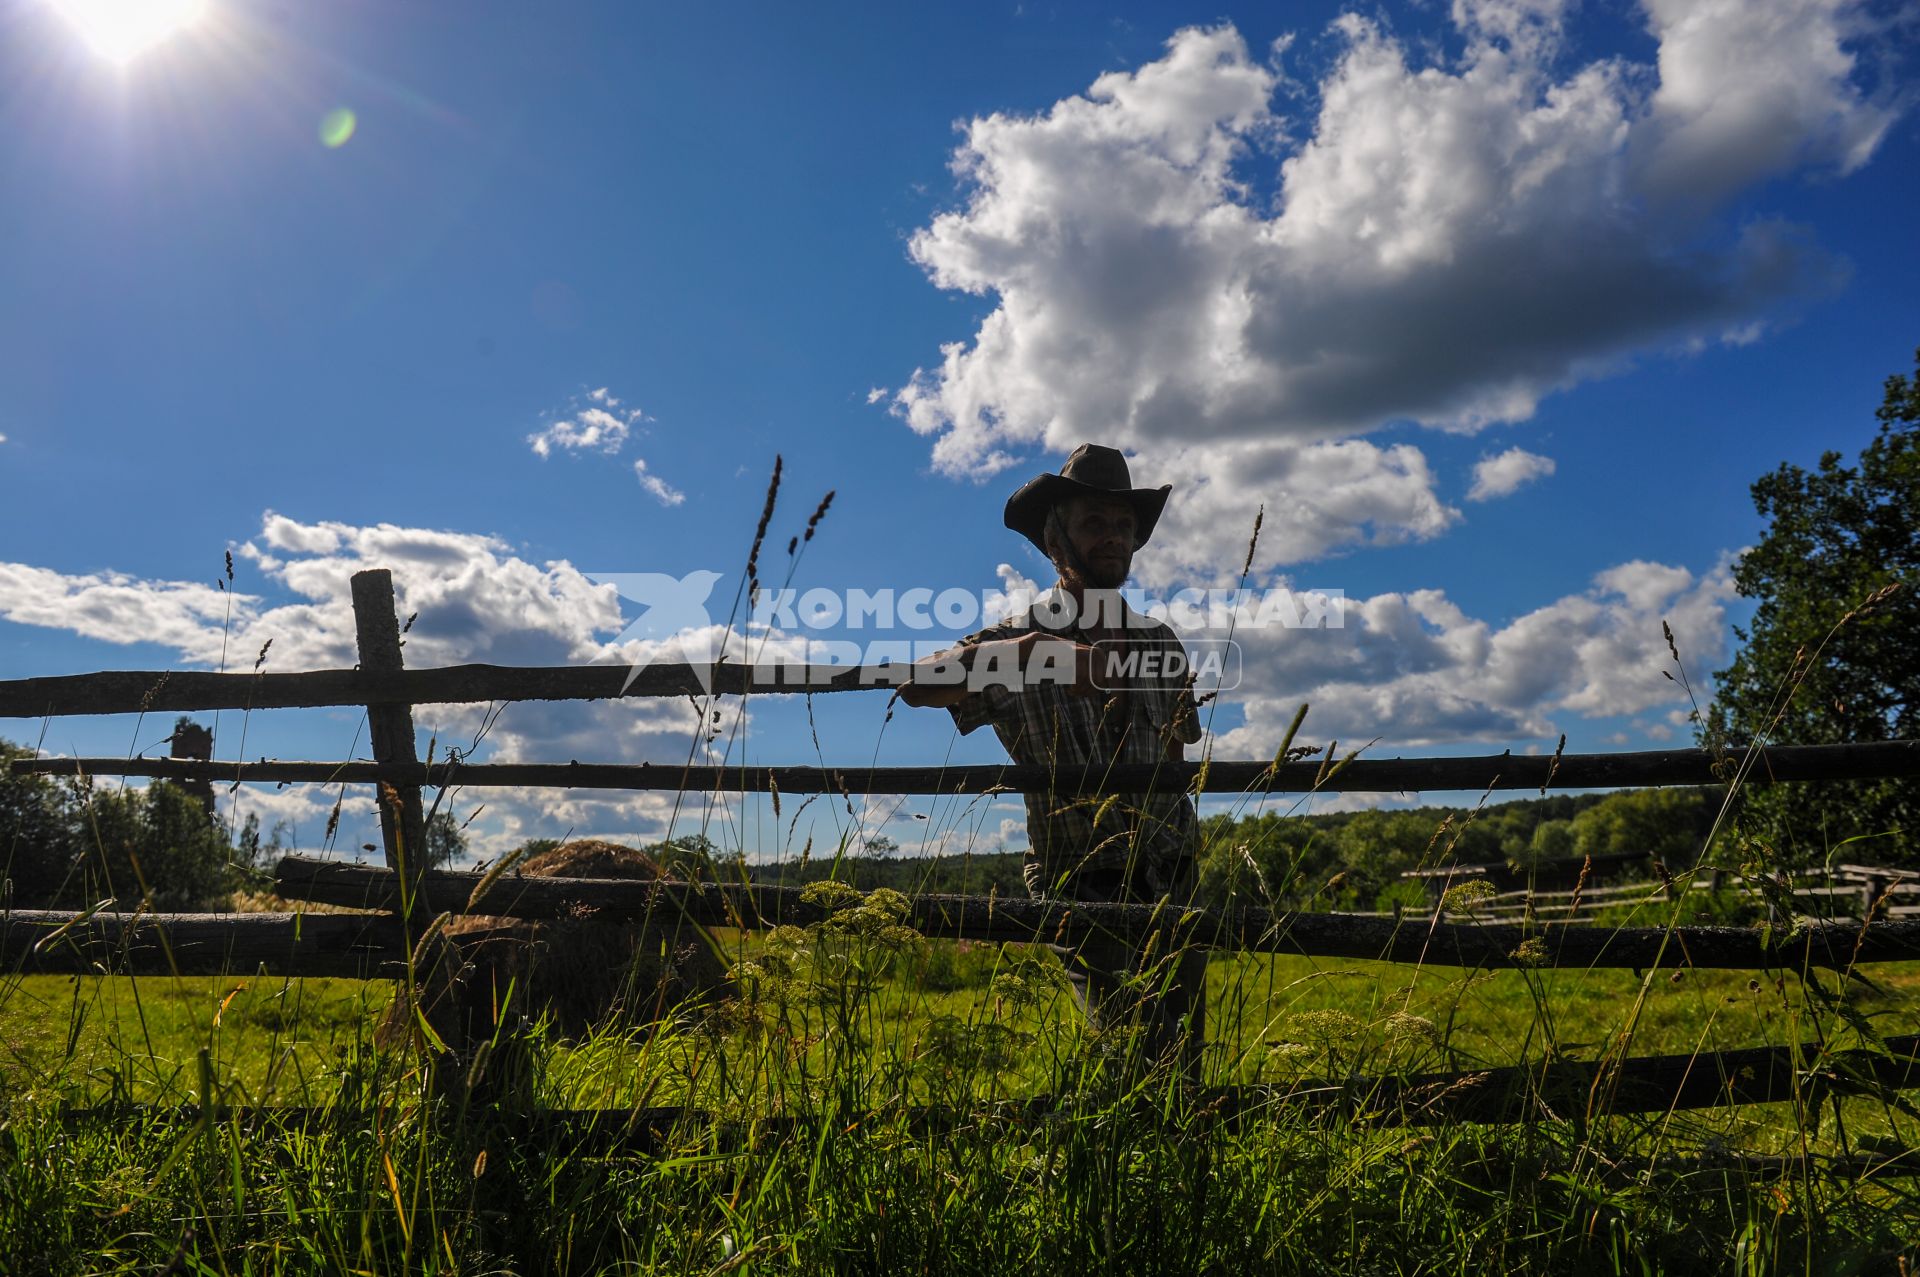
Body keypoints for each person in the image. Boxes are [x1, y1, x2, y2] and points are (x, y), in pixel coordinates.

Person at [898, 443, 1207, 1076]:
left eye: (1124, 525)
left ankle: (1185, 1170)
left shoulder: (1159, 642)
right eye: (1095, 522)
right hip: (1082, 880)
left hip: (1172, 873)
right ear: (1056, 539)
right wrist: (1028, 654)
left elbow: (1179, 758)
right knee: (1133, 1056)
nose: (1114, 538)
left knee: (1185, 1057)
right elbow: (916, 685)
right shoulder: (1014, 640)